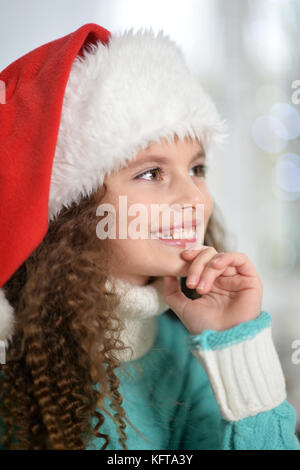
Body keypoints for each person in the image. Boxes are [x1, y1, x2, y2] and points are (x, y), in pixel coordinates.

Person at [0, 22, 299, 451]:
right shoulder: (13, 361)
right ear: (76, 210)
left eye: (197, 168)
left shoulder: (185, 348)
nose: (193, 196)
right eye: (151, 173)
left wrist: (237, 346)